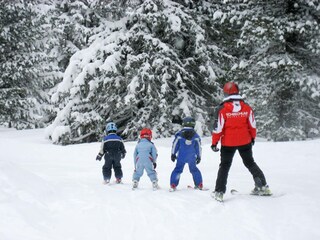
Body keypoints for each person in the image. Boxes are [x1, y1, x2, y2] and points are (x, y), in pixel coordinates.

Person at [211, 81, 271, 202]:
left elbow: (218, 128)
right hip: (245, 141)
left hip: (228, 143)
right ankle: (262, 186)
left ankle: (219, 192)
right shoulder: (247, 107)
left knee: (225, 166)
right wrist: (252, 137)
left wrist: (214, 143)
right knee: (250, 163)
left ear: (226, 93)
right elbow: (253, 125)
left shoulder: (222, 109)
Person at [170, 116, 203, 191]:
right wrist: (199, 156)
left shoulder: (179, 134)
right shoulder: (196, 136)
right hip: (191, 157)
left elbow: (175, 145)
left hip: (181, 156)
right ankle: (199, 184)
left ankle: (173, 184)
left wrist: (173, 154)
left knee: (177, 170)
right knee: (194, 170)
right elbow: (198, 147)